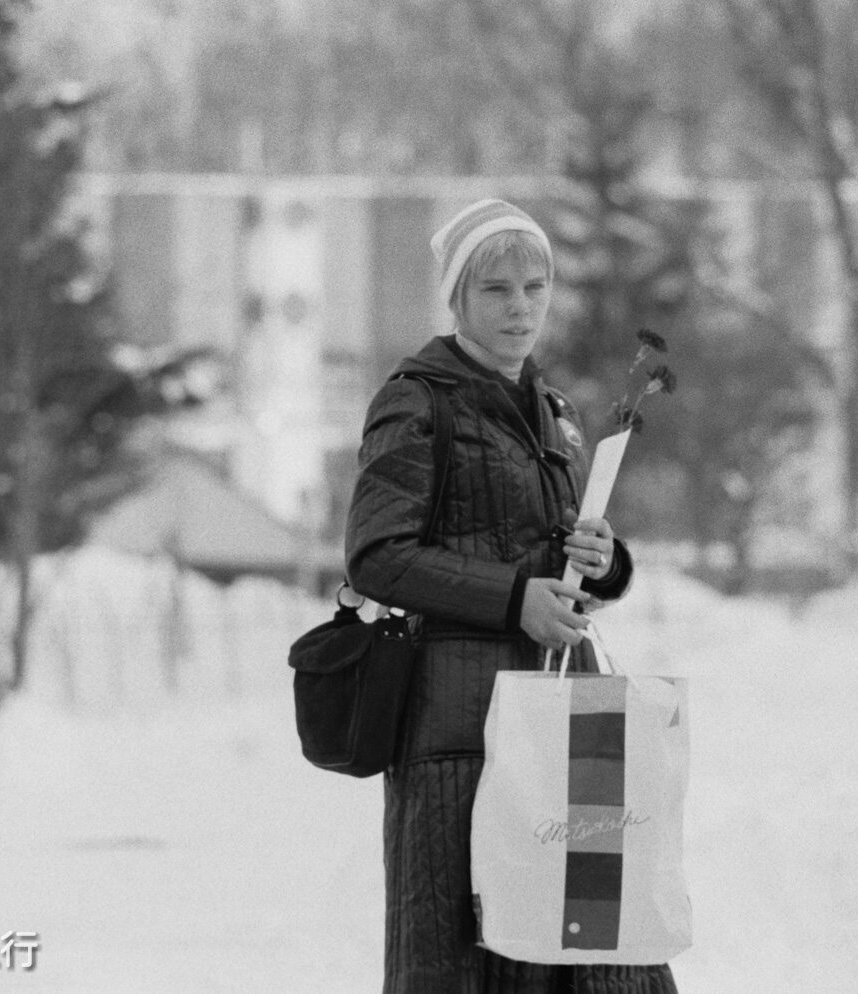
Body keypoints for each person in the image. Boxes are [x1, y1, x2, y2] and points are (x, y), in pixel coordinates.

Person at [345, 199, 678, 993]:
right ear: (457, 298)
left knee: (603, 948)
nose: (520, 306)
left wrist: (602, 564)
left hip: (570, 724)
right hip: (464, 736)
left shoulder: (554, 413)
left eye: (536, 286)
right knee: (478, 966)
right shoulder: (417, 400)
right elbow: (376, 555)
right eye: (496, 290)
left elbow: (555, 551)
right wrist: (513, 599)